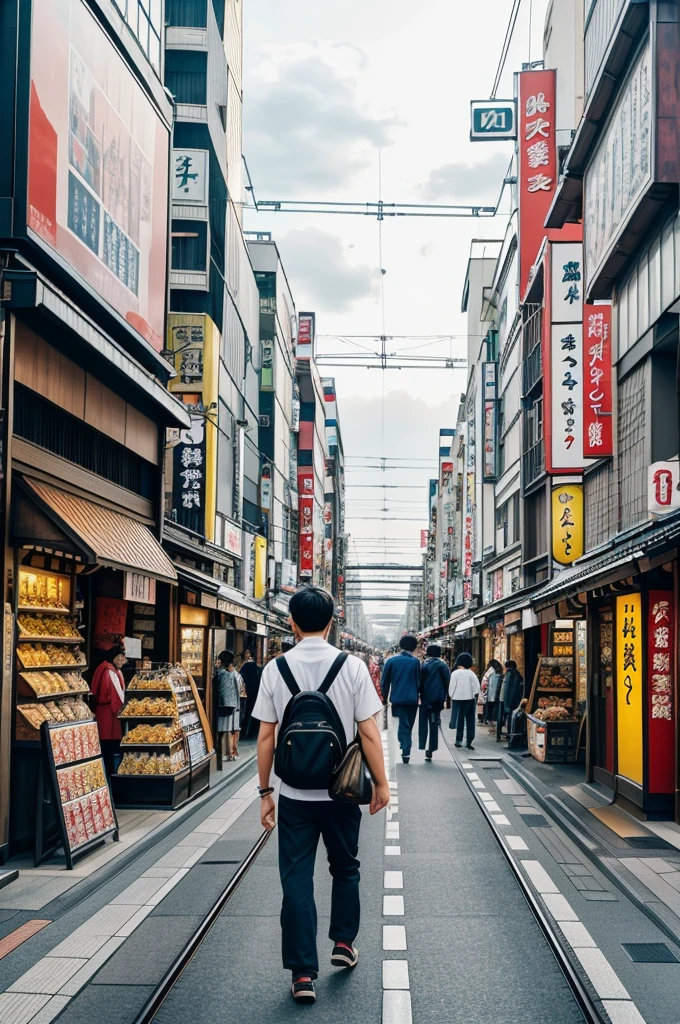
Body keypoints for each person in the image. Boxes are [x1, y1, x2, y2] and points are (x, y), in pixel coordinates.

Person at [254, 586, 389, 1005]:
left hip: (294, 794)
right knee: (345, 868)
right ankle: (344, 944)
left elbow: (264, 736)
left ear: (291, 622)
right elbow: (368, 730)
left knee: (296, 880)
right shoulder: (351, 666)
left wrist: (265, 792)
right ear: (332, 623)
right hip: (342, 791)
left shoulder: (275, 669)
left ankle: (301, 973)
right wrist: (381, 783)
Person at [380, 633, 421, 763]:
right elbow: (419, 682)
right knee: (408, 725)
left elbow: (384, 682)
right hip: (413, 700)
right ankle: (405, 748)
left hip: (397, 699)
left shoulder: (391, 661)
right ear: (414, 647)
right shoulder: (416, 662)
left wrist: (384, 698)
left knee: (402, 725)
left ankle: (405, 748)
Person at [90, 645, 127, 775]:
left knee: (106, 748)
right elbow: (117, 696)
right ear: (114, 657)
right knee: (108, 748)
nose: (123, 659)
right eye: (121, 656)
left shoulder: (108, 668)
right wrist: (125, 710)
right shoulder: (109, 671)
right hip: (108, 715)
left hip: (105, 713)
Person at [419, 643, 450, 761]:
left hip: (425, 699)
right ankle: (431, 749)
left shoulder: (424, 665)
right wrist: (448, 700)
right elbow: (447, 682)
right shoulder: (443, 665)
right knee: (434, 724)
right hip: (437, 699)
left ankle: (422, 744)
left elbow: (420, 682)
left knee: (423, 723)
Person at [448, 652, 481, 750]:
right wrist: (472, 694)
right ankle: (469, 741)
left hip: (457, 699)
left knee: (460, 720)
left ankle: (459, 740)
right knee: (470, 721)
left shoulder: (454, 673)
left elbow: (451, 687)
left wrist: (452, 695)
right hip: (470, 699)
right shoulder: (471, 674)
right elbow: (477, 688)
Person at [215, 650, 243, 762]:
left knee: (224, 729)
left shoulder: (220, 674)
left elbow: (219, 689)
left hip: (223, 704)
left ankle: (225, 753)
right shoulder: (236, 674)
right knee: (233, 729)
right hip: (234, 704)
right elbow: (240, 688)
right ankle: (233, 752)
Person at [498, 660, 524, 744]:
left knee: (505, 718)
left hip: (505, 700)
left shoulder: (510, 674)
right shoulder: (516, 675)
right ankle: (509, 735)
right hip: (510, 701)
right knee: (508, 718)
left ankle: (508, 735)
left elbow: (508, 689)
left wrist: (507, 703)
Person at [239, 649, 262, 739]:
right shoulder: (259, 668)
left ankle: (244, 732)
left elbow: (240, 677)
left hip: (247, 692)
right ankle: (251, 732)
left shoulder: (246, 666)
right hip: (256, 692)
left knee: (246, 712)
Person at [483, 659, 504, 726]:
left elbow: (490, 684)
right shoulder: (499, 672)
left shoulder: (491, 672)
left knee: (490, 707)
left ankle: (490, 720)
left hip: (491, 693)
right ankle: (493, 720)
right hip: (497, 693)